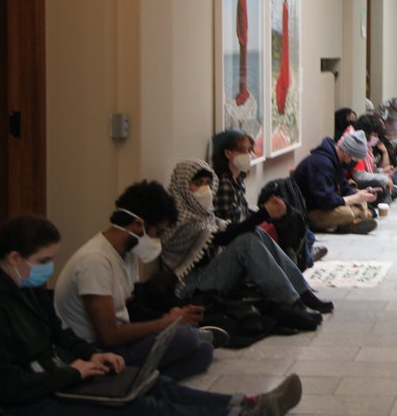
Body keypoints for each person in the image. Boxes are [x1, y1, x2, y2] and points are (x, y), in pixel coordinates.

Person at [0, 215, 303, 416]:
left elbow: (60, 334)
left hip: (54, 383)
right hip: (22, 413)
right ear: (13, 258)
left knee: (150, 384)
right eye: (43, 262)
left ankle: (248, 403)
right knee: (139, 411)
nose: (48, 269)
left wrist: (90, 357)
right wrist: (71, 373)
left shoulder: (25, 292)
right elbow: (7, 386)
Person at [54, 181, 220, 382]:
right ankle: (125, 379)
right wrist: (166, 323)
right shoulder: (95, 261)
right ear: (137, 225)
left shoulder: (126, 255)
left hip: (118, 341)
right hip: (97, 352)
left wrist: (169, 317)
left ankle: (138, 379)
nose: (158, 241)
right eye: (157, 233)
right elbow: (108, 335)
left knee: (204, 351)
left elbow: (127, 308)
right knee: (187, 338)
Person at [159, 159, 330, 329]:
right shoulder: (180, 220)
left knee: (256, 233)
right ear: (182, 186)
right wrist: (264, 213)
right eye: (197, 183)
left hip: (207, 275)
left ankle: (301, 292)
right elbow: (224, 237)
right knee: (246, 243)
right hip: (189, 289)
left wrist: (268, 213)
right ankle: (288, 303)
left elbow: (233, 228)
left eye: (207, 183)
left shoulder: (201, 214)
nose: (205, 189)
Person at [292, 129, 380, 234]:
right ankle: (353, 221)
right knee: (346, 213)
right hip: (310, 210)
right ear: (347, 155)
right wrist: (355, 198)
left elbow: (343, 187)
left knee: (360, 200)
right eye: (356, 161)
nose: (355, 165)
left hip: (325, 202)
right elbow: (326, 201)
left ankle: (353, 221)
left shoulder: (336, 161)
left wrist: (362, 194)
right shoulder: (321, 164)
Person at [210, 128, 255, 224]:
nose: (248, 155)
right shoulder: (223, 184)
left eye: (249, 150)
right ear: (228, 153)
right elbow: (231, 226)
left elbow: (243, 213)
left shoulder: (238, 179)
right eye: (243, 150)